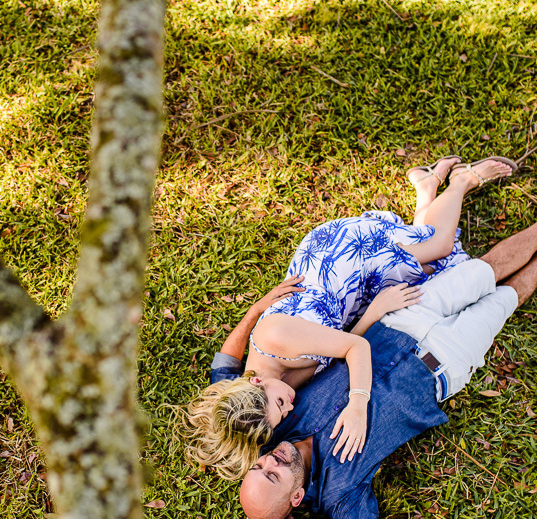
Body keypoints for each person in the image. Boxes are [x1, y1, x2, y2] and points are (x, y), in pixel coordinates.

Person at [237, 158, 537, 519]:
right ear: (295, 498)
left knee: (486, 269)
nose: (272, 458)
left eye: (260, 465)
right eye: (273, 473)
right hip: (443, 362)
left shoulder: (278, 419)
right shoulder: (339, 496)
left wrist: (258, 310)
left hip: (399, 321)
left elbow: (224, 373)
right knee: (506, 298)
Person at [185, 156, 519, 479]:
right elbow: (336, 346)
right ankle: (426, 186)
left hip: (338, 265)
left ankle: (462, 180)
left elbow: (355, 348)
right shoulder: (262, 395)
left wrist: (358, 405)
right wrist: (375, 310)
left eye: (279, 406)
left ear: (255, 381)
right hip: (352, 306)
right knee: (426, 274)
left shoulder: (275, 338)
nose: (288, 412)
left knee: (440, 247)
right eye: (280, 416)